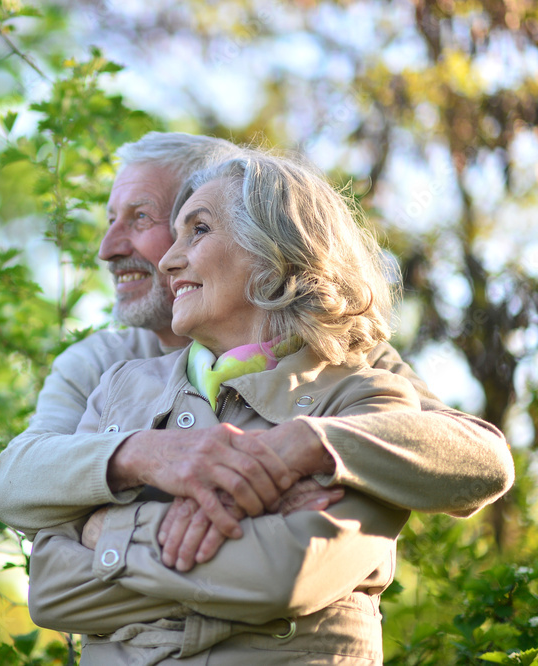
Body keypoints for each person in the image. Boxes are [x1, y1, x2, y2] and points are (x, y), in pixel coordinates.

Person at [0, 132, 513, 573]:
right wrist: (144, 455)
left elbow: (479, 457)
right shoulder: (100, 364)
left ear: (245, 232)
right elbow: (16, 483)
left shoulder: (337, 356)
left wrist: (303, 446)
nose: (108, 247)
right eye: (109, 220)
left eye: (140, 218)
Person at [25, 151, 442, 663]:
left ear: (279, 252)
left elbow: (285, 575)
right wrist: (241, 536)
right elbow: (49, 588)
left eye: (198, 230)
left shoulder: (366, 399)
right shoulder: (116, 384)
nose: (167, 261)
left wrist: (103, 531)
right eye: (173, 234)